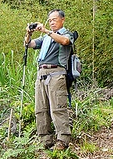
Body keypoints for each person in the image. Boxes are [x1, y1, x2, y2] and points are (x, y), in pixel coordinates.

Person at [24, 9, 75, 150]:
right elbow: (29, 44)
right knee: (40, 109)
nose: (52, 22)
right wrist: (28, 33)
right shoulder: (46, 38)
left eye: (54, 19)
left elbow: (65, 41)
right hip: (41, 74)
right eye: (50, 20)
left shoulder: (66, 33)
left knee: (58, 108)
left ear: (62, 20)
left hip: (57, 73)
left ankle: (62, 140)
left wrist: (46, 31)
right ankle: (45, 140)